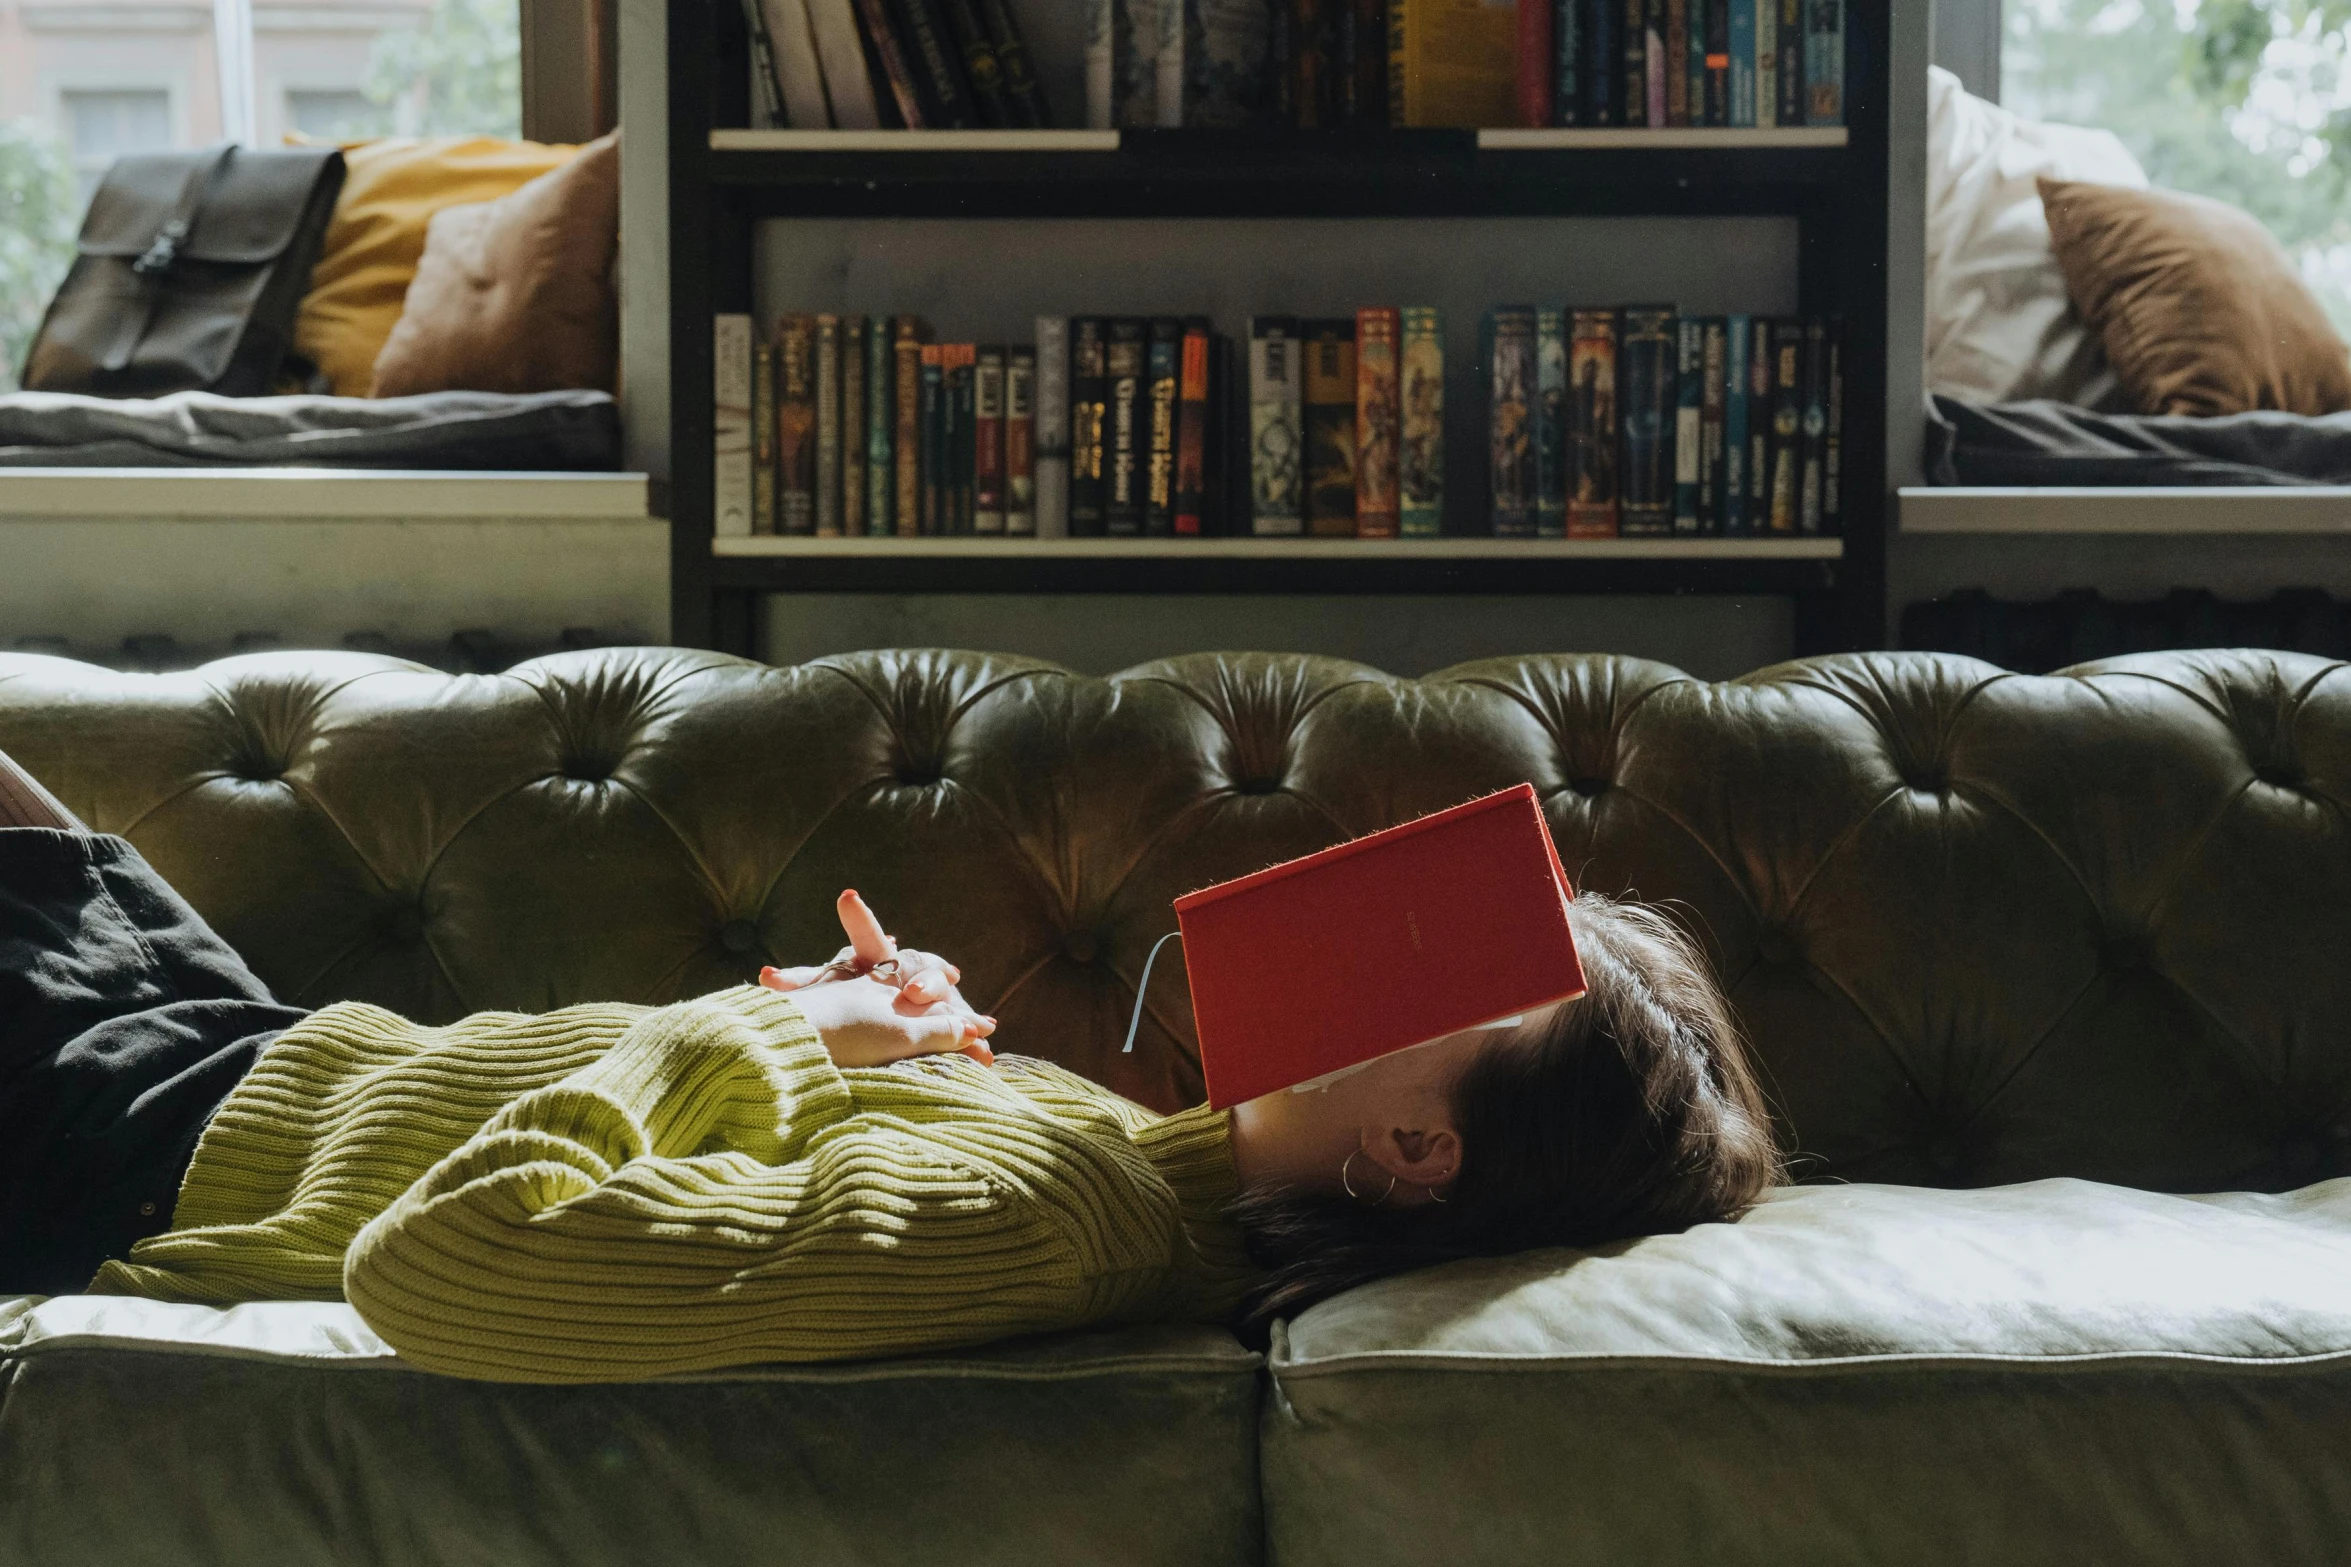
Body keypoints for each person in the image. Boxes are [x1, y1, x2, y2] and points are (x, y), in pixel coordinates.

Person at [0, 744, 1782, 1383]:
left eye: (1454, 976)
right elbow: (722, 1141)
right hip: (275, 1056)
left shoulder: (1045, 1213)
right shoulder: (1101, 1149)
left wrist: (779, 1032)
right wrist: (865, 1036)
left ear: (1415, 1154)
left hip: (153, 1134)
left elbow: (458, 1265)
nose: (1392, 918)